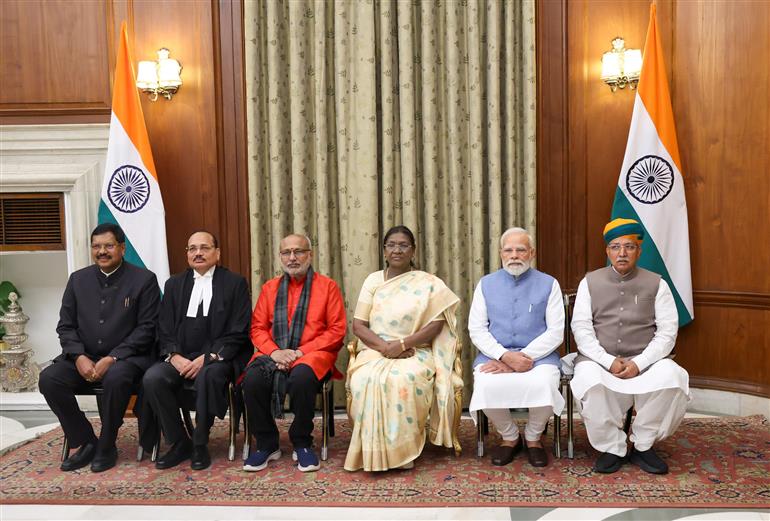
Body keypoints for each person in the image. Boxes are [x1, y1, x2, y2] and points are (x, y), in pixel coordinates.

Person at [570, 218, 689, 475]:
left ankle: (643, 444)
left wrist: (639, 363)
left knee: (674, 377)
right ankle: (612, 447)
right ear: (607, 251)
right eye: (615, 246)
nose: (622, 253)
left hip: (645, 360)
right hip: (600, 360)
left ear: (639, 250)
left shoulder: (658, 283)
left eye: (629, 246)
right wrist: (607, 360)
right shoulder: (589, 282)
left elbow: (668, 332)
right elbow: (581, 329)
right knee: (588, 380)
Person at [39, 223, 160, 472]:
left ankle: (107, 445)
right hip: (84, 358)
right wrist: (79, 356)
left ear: (122, 248)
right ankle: (85, 440)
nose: (102, 251)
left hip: (128, 359)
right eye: (96, 246)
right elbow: (66, 326)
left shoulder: (144, 280)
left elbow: (147, 329)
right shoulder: (78, 280)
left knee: (116, 377)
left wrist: (113, 357)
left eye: (108, 246)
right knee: (49, 379)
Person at [344, 225, 462, 472]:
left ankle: (404, 451)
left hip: (415, 350)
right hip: (375, 349)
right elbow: (358, 325)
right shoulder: (373, 280)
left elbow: (437, 324)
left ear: (413, 250)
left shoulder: (429, 283)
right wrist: (387, 348)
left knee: (404, 380)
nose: (397, 250)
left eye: (403, 245)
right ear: (384, 250)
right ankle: (372, 451)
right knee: (364, 380)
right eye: (391, 245)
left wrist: (402, 344)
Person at [138, 231, 252, 470]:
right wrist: (174, 356)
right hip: (180, 357)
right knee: (153, 378)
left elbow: (239, 330)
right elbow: (164, 327)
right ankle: (179, 442)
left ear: (217, 253)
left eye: (204, 248)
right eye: (192, 249)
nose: (197, 253)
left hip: (218, 358)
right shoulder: (174, 284)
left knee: (210, 375)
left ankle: (200, 442)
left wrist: (208, 357)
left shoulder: (235, 283)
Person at [242, 234, 346, 473]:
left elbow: (337, 330)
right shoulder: (270, 288)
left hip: (313, 353)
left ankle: (302, 443)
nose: (292, 258)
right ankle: (267, 443)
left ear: (310, 254)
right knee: (253, 379)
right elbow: (257, 328)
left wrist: (300, 352)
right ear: (280, 257)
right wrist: (275, 352)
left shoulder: (327, 286)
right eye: (286, 253)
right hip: (274, 353)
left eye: (298, 251)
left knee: (301, 378)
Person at [468, 227, 565, 467]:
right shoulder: (485, 284)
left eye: (520, 250)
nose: (514, 255)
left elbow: (556, 332)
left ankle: (533, 437)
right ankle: (510, 436)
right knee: (485, 383)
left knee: (544, 383)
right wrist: (505, 356)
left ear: (531, 253)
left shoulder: (549, 284)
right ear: (501, 253)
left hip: (539, 357)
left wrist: (523, 357)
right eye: (508, 250)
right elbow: (477, 329)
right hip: (495, 356)